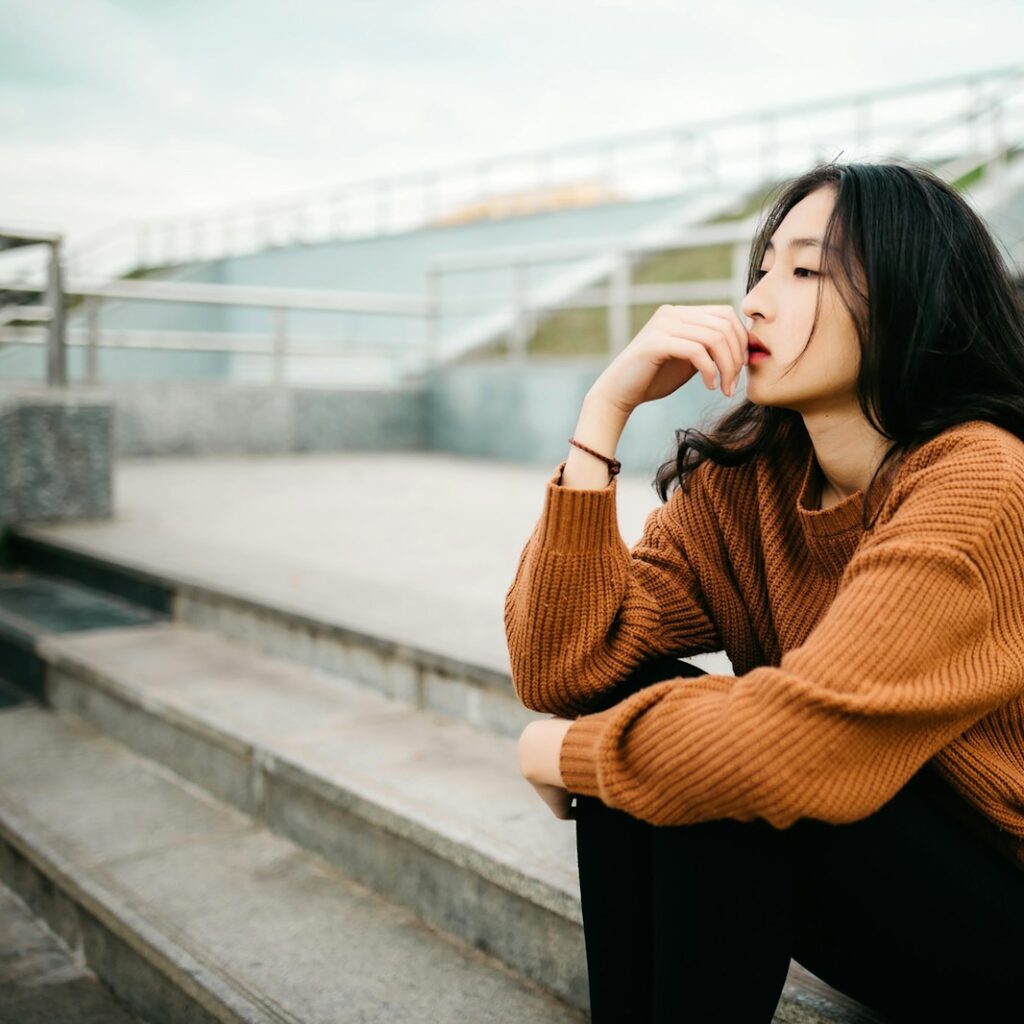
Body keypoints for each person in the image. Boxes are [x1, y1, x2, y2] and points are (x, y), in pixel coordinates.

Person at [505, 158, 1024, 1022]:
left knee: (732, 759)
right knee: (667, 717)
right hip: (880, 883)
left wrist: (568, 754)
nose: (756, 300)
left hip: (998, 911)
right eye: (763, 268)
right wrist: (603, 415)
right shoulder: (747, 481)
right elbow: (566, 668)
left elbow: (797, 742)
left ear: (909, 295)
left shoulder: (984, 482)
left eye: (806, 270)